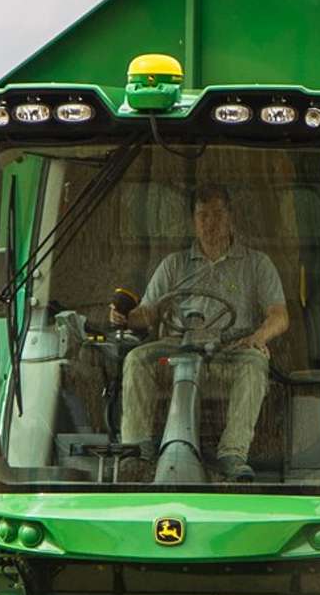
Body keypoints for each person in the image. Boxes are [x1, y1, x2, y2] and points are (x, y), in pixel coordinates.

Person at [117, 183, 292, 479]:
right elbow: (147, 313)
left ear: (231, 217)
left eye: (217, 214)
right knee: (137, 358)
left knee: (255, 363)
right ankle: (136, 448)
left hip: (228, 353)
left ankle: (233, 455)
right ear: (193, 221)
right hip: (175, 354)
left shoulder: (256, 264)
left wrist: (258, 338)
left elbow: (279, 316)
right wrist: (124, 316)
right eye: (203, 216)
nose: (211, 223)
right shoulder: (173, 265)